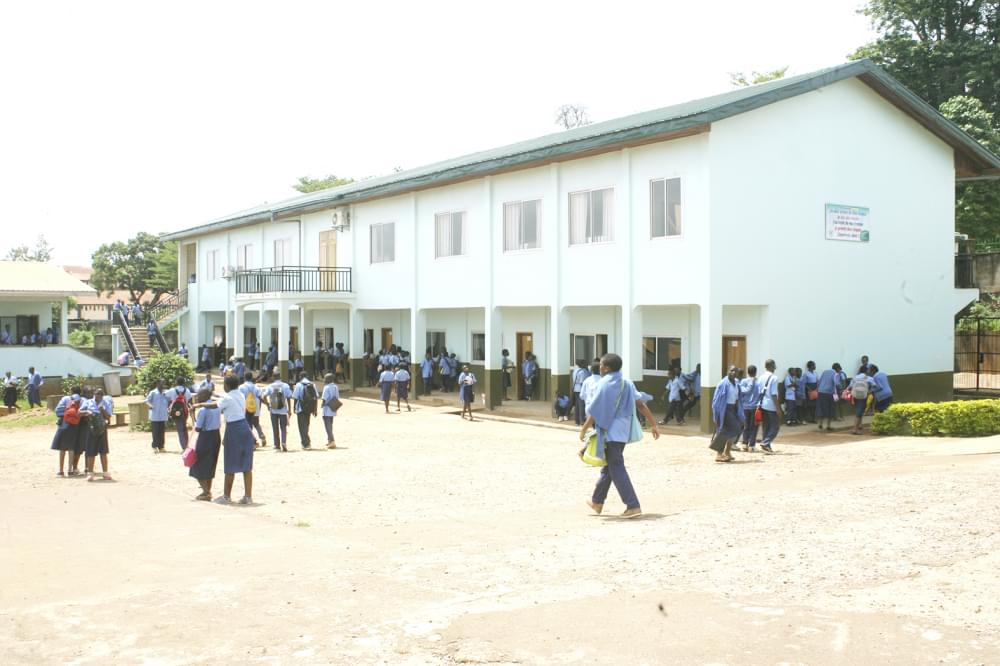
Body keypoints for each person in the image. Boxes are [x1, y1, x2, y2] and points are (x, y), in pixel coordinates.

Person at [579, 353, 660, 518]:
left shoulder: (603, 384)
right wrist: (653, 424)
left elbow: (595, 410)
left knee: (615, 467)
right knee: (609, 467)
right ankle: (597, 501)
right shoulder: (627, 383)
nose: (599, 367)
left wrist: (584, 428)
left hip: (610, 432)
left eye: (601, 364)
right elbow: (641, 405)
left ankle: (633, 505)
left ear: (606, 368)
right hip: (623, 432)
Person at [216, 375, 255, 505]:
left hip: (234, 429)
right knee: (246, 466)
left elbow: (215, 406)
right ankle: (248, 496)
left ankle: (226, 496)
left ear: (227, 386)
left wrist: (200, 403)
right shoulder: (240, 395)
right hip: (245, 428)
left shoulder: (227, 397)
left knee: (230, 463)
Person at [189, 387, 221, 500]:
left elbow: (198, 428)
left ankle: (206, 491)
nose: (197, 397)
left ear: (204, 397)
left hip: (206, 437)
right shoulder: (216, 407)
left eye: (199, 395)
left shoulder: (203, 410)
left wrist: (192, 415)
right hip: (216, 436)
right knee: (210, 463)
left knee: (197, 464)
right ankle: (207, 490)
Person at [710, 366, 745, 463]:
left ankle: (727, 452)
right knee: (734, 428)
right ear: (727, 371)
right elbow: (716, 401)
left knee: (736, 428)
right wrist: (716, 415)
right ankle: (719, 453)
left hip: (734, 409)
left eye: (735, 371)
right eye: (731, 370)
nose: (733, 372)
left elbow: (738, 397)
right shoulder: (723, 384)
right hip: (725, 409)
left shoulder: (737, 383)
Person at [83, 388, 113, 481]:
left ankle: (105, 473)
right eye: (96, 394)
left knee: (103, 451)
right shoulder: (88, 402)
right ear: (94, 394)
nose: (98, 396)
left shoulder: (106, 403)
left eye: (100, 394)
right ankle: (90, 473)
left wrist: (102, 410)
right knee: (90, 451)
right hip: (91, 428)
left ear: (102, 395)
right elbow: (79, 412)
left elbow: (109, 416)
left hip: (102, 428)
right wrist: (87, 412)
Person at [51, 386, 81, 476]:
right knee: (71, 448)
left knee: (62, 448)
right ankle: (70, 470)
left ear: (71, 391)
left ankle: (61, 470)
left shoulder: (65, 398)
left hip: (64, 424)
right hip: (75, 426)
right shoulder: (82, 400)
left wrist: (65, 414)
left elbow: (57, 411)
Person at [263, 374, 292, 451]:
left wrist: (267, 405)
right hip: (283, 410)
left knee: (275, 428)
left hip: (273, 410)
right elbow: (289, 397)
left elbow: (263, 396)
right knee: (283, 427)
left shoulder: (270, 386)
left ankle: (276, 445)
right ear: (280, 377)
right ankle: (284, 442)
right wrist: (289, 409)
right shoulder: (285, 386)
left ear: (273, 378)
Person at [757, 359, 781, 453]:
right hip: (771, 405)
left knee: (766, 426)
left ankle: (767, 446)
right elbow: (774, 394)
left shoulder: (761, 377)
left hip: (762, 404)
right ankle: (766, 443)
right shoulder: (774, 378)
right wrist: (778, 409)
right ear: (772, 366)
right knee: (775, 426)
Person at [291, 371, 318, 450]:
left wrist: (294, 408)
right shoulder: (312, 384)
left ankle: (306, 443)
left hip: (301, 408)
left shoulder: (299, 385)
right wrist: (315, 409)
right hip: (309, 408)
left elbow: (295, 398)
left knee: (302, 426)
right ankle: (306, 441)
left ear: (300, 377)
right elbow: (315, 398)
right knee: (306, 424)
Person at [166, 377, 193, 451]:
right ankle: (187, 444)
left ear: (176, 382)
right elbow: (190, 400)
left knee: (180, 429)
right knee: (184, 428)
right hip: (184, 412)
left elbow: (165, 395)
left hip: (175, 412)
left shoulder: (172, 390)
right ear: (184, 382)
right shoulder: (186, 390)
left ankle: (184, 446)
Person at [739, 365, 761, 451]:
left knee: (746, 426)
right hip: (754, 407)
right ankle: (752, 445)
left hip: (745, 407)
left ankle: (745, 443)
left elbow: (741, 392)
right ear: (755, 372)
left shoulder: (743, 381)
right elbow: (760, 394)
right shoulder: (758, 382)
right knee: (754, 426)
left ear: (747, 372)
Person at [816, 363, 842, 431]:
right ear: (837, 369)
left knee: (821, 408)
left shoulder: (825, 372)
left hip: (821, 392)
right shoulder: (836, 374)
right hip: (830, 393)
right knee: (831, 409)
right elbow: (837, 384)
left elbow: (819, 381)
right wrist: (841, 390)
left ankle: (820, 424)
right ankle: (828, 425)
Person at [146, 380, 170, 453]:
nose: (163, 384)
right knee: (155, 432)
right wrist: (150, 405)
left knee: (162, 432)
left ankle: (161, 446)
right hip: (155, 416)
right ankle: (155, 446)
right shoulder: (153, 392)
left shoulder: (165, 393)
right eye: (161, 383)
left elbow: (169, 400)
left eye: (164, 383)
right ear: (158, 384)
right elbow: (147, 400)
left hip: (163, 415)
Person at [849, 365, 874, 435]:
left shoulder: (855, 377)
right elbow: (874, 386)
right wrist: (869, 391)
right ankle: (854, 429)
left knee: (858, 411)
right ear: (866, 371)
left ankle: (858, 427)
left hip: (855, 396)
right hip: (863, 396)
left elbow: (850, 386)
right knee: (859, 413)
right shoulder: (869, 378)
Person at [320, 373, 340, 449]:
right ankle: (329, 440)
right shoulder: (335, 386)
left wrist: (321, 405)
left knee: (327, 426)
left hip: (327, 409)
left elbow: (324, 399)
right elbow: (337, 397)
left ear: (329, 380)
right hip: (333, 408)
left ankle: (332, 441)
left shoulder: (326, 387)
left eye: (325, 378)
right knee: (330, 425)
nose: (324, 380)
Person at [571, 360, 590, 426]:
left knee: (577, 405)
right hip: (580, 389)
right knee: (581, 405)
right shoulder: (583, 372)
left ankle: (577, 421)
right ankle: (582, 420)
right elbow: (582, 382)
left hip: (575, 389)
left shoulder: (575, 370)